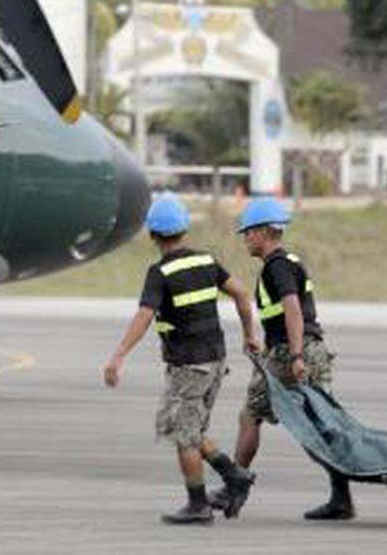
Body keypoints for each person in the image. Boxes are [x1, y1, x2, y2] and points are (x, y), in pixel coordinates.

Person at [103, 193, 261, 525]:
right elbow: (242, 293)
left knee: (183, 435)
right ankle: (234, 476)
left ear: (152, 235)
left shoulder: (160, 272)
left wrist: (117, 357)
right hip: (215, 362)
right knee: (184, 427)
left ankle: (198, 504)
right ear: (184, 230)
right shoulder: (205, 261)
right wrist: (249, 334)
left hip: (189, 366)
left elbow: (145, 317)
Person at [210, 196, 352, 520]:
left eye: (248, 232)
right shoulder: (289, 261)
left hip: (293, 353)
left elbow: (292, 309)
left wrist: (295, 354)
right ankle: (341, 498)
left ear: (263, 231)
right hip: (302, 349)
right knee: (317, 427)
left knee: (250, 415)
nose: (245, 238)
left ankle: (236, 483)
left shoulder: (277, 266)